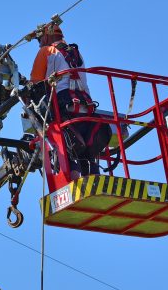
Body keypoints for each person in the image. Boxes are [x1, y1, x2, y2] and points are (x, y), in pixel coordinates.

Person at [29, 24, 110, 178]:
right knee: (87, 154)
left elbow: (35, 85)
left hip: (64, 107)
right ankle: (94, 182)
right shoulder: (76, 53)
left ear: (46, 36)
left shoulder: (46, 51)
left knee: (68, 151)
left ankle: (73, 184)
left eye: (40, 39)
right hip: (86, 107)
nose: (39, 43)